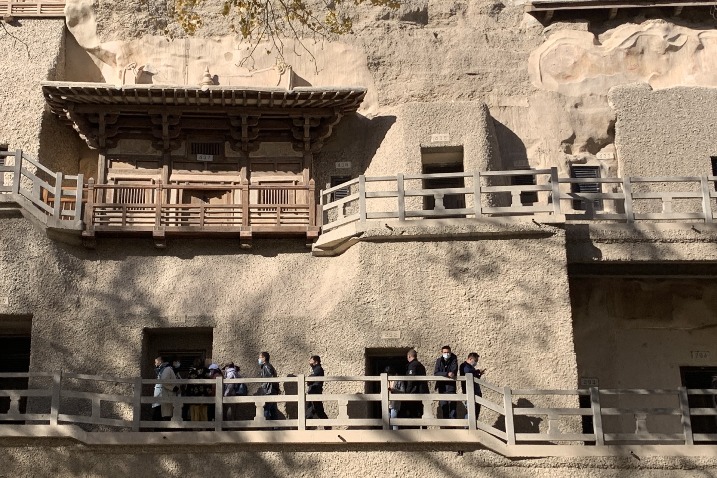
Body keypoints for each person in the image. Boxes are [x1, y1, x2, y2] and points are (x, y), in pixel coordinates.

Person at [401, 348, 428, 425]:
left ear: (409, 356)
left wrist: (407, 393)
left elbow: (411, 380)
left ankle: (415, 429)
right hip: (422, 393)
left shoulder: (412, 365)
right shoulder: (421, 365)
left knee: (413, 414)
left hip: (414, 393)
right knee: (420, 413)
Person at [434, 345, 458, 420]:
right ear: (442, 352)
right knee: (444, 408)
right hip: (442, 388)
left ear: (450, 352)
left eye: (448, 352)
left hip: (451, 387)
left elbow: (453, 371)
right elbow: (436, 373)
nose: (446, 354)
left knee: (452, 409)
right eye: (444, 352)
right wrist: (446, 374)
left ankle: (453, 425)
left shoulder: (454, 360)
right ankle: (446, 425)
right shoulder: (439, 361)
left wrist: (449, 373)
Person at [306, 355, 330, 428]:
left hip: (315, 391)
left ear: (316, 362)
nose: (309, 361)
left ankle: (307, 426)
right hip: (314, 391)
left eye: (311, 360)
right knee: (315, 409)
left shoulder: (318, 369)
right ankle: (327, 425)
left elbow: (312, 378)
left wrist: (309, 379)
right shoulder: (316, 369)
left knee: (315, 408)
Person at [459, 352, 485, 421]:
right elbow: (468, 373)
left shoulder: (471, 368)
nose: (476, 363)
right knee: (470, 413)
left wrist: (479, 373)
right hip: (470, 392)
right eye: (475, 361)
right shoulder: (464, 366)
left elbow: (474, 376)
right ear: (470, 359)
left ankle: (472, 426)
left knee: (475, 412)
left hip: (476, 392)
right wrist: (477, 372)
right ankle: (467, 427)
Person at [152, 356, 176, 422]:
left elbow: (164, 381)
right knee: (160, 413)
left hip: (163, 394)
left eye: (156, 361)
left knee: (161, 414)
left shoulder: (166, 369)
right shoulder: (162, 369)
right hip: (161, 394)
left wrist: (173, 388)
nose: (155, 363)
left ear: (160, 361)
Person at [259, 351, 280, 421]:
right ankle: (275, 426)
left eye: (260, 357)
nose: (259, 359)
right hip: (272, 390)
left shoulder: (266, 366)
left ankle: (264, 425)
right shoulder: (269, 366)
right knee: (273, 410)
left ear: (264, 358)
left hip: (268, 391)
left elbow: (269, 379)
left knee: (266, 409)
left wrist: (265, 391)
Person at [385, 366, 403, 430]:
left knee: (393, 418)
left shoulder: (399, 379)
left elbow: (403, 391)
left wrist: (394, 390)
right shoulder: (385, 379)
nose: (388, 375)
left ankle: (395, 433)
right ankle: (388, 434)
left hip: (395, 402)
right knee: (387, 420)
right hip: (386, 402)